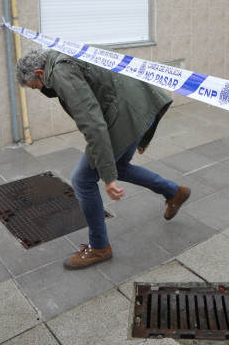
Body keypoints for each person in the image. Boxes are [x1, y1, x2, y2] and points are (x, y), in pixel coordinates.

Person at [16, 47, 191, 269]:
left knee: (82, 179)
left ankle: (99, 248)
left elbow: (93, 122)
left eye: (36, 87)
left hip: (127, 115)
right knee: (120, 165)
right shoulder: (65, 54)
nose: (40, 90)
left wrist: (108, 178)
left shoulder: (60, 73)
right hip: (137, 109)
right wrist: (144, 132)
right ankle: (174, 192)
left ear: (40, 72)